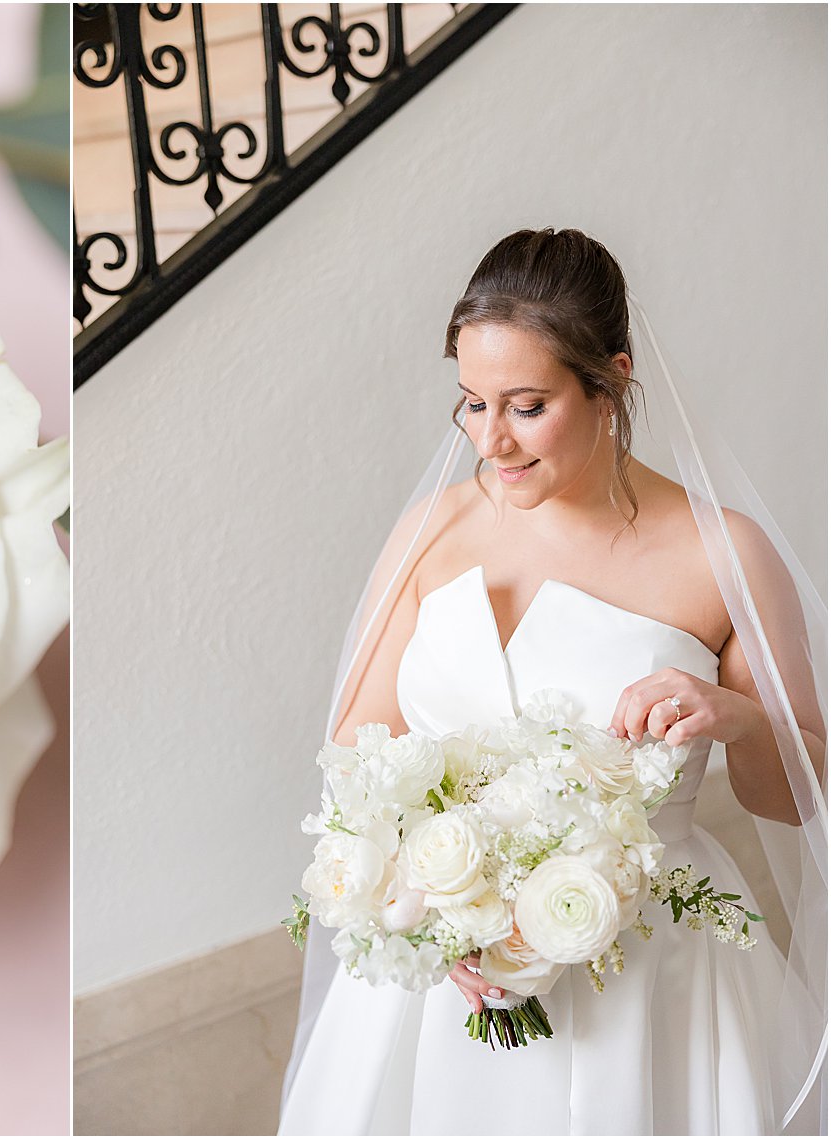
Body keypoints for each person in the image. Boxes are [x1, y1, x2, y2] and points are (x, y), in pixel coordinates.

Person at [278, 229, 826, 1135]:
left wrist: (733, 714)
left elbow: (792, 794)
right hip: (449, 985)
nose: (490, 440)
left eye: (526, 406)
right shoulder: (432, 530)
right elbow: (357, 760)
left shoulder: (721, 552)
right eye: (470, 403)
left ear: (609, 381)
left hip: (650, 979)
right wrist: (425, 914)